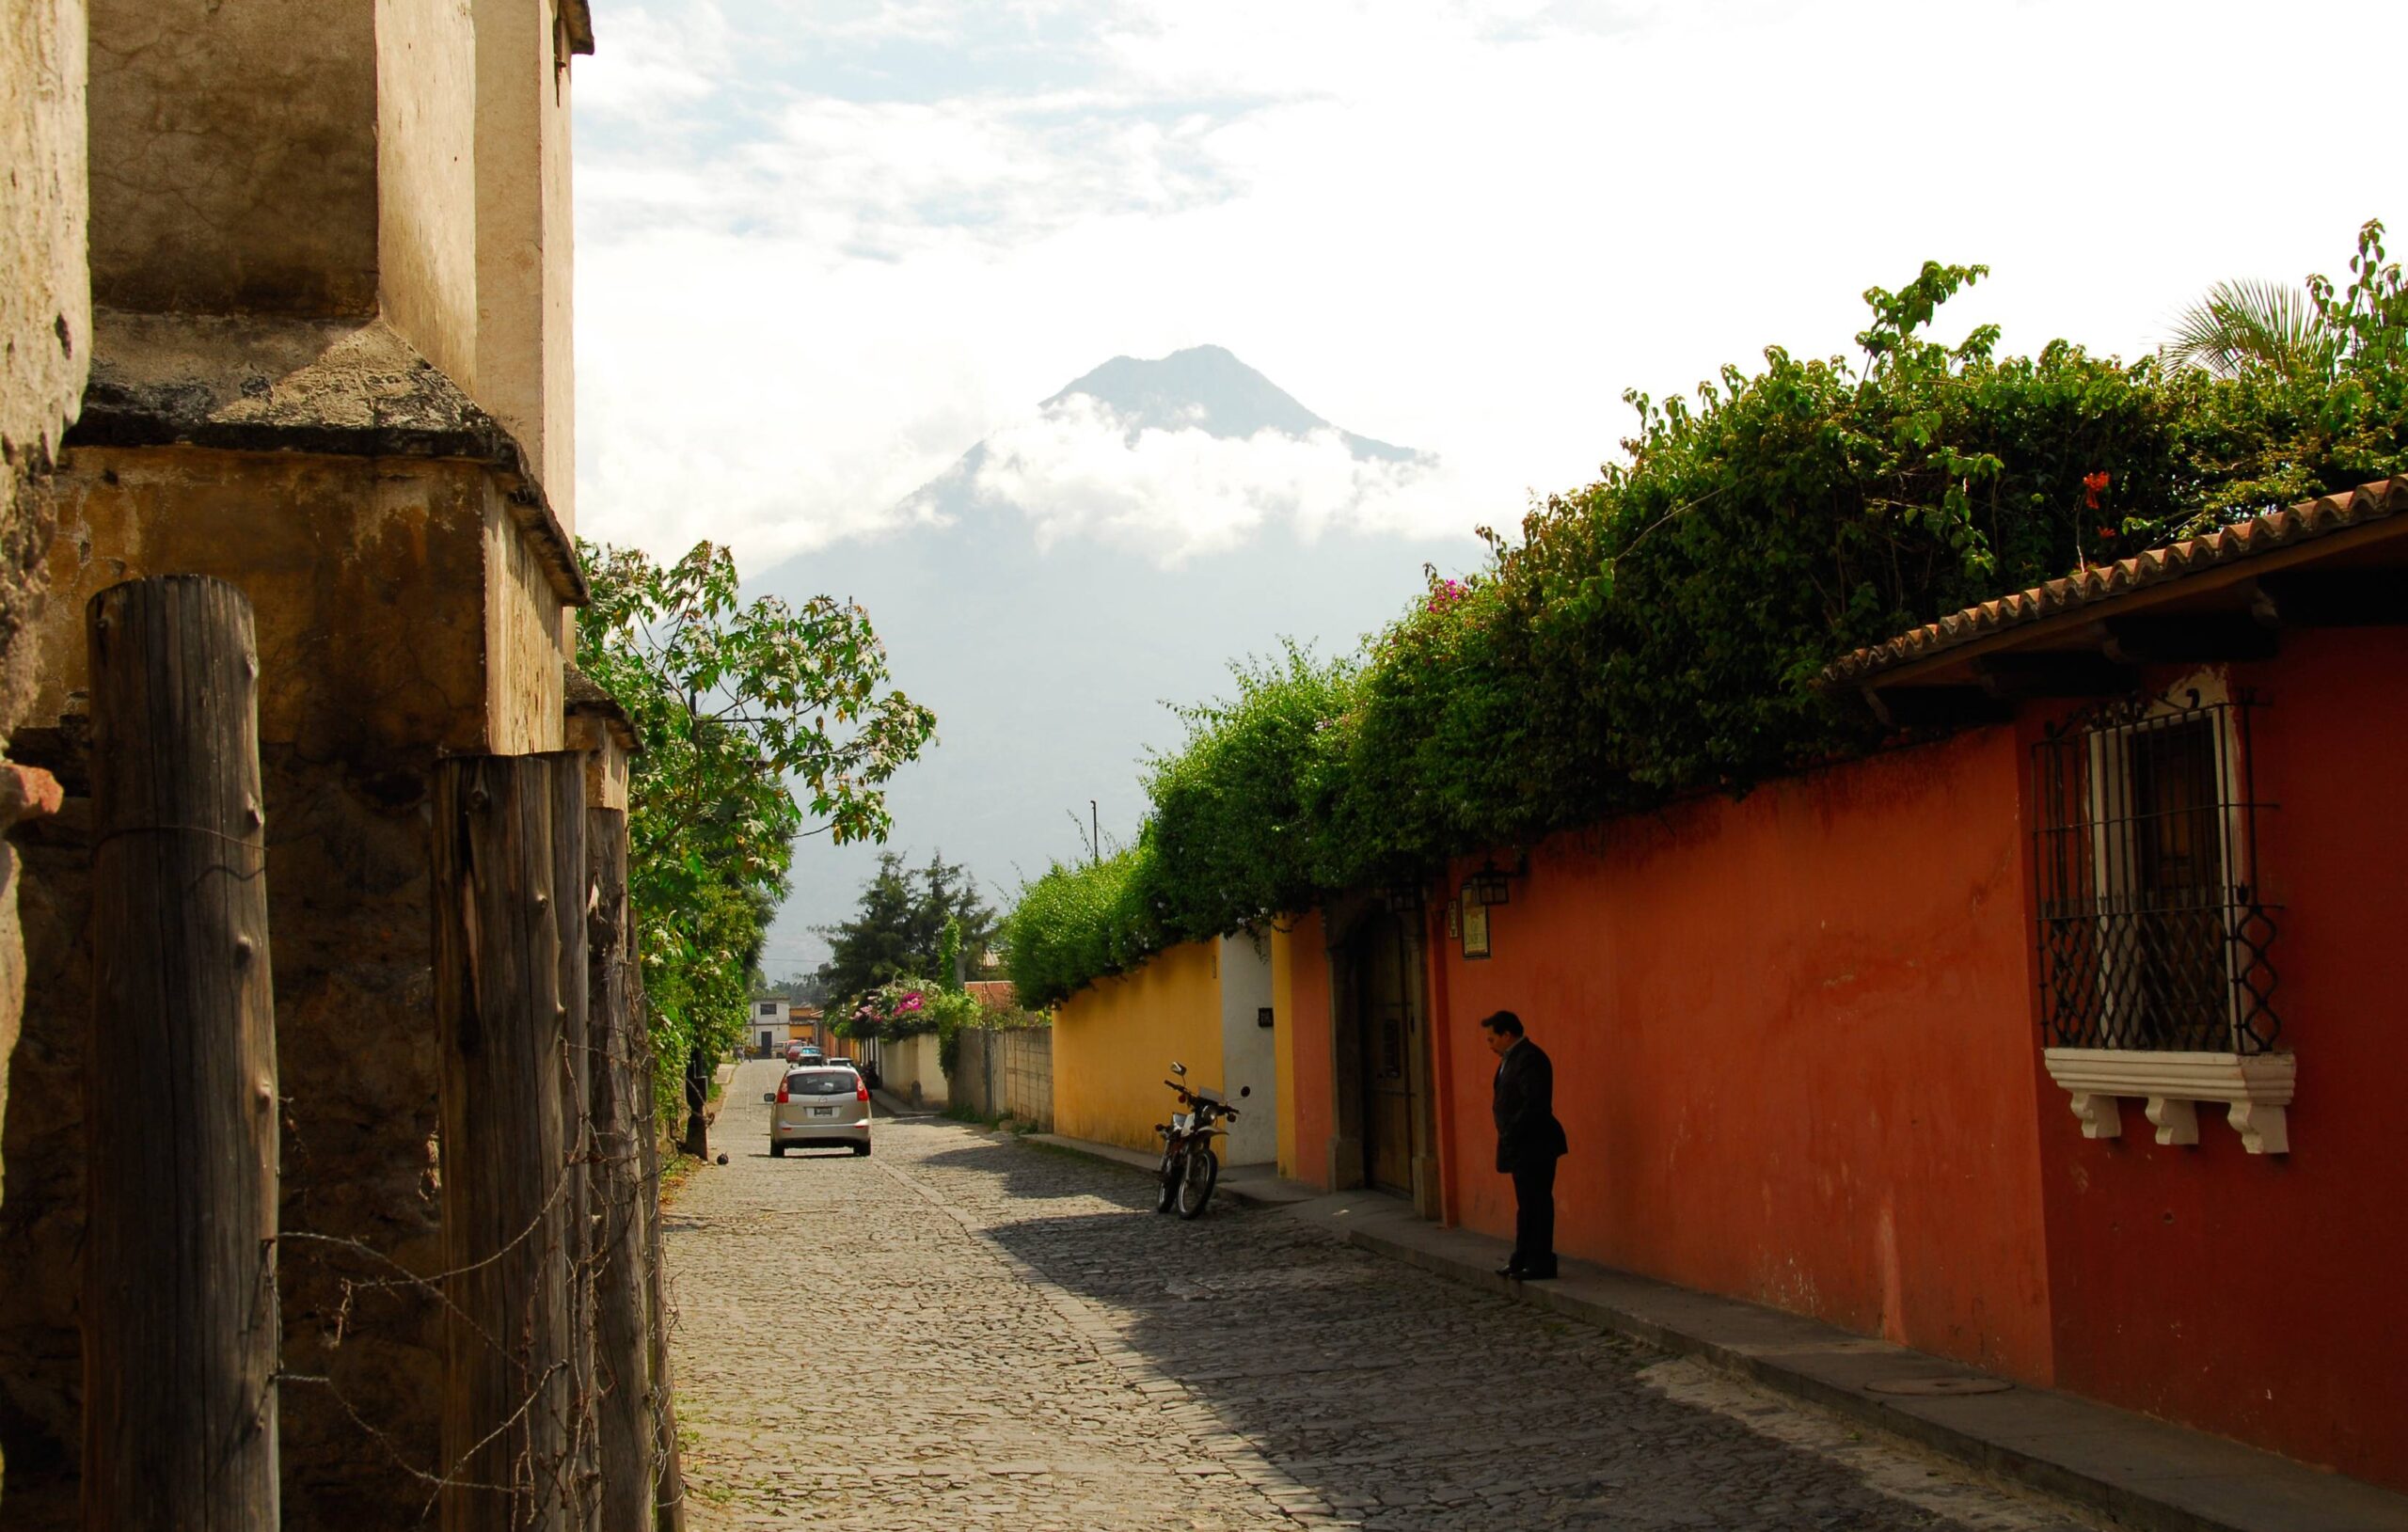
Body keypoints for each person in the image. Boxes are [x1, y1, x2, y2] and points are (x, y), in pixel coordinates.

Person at [1483, 1009, 1568, 1280]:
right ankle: (1523, 1257)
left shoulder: (1529, 1059)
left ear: (1507, 1034)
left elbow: (1535, 1103)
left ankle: (1540, 1261)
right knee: (1527, 1203)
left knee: (1538, 1202)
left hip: (1535, 1143)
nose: (1490, 1045)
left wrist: (1511, 1131)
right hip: (1520, 1144)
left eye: (1492, 1038)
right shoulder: (1510, 1059)